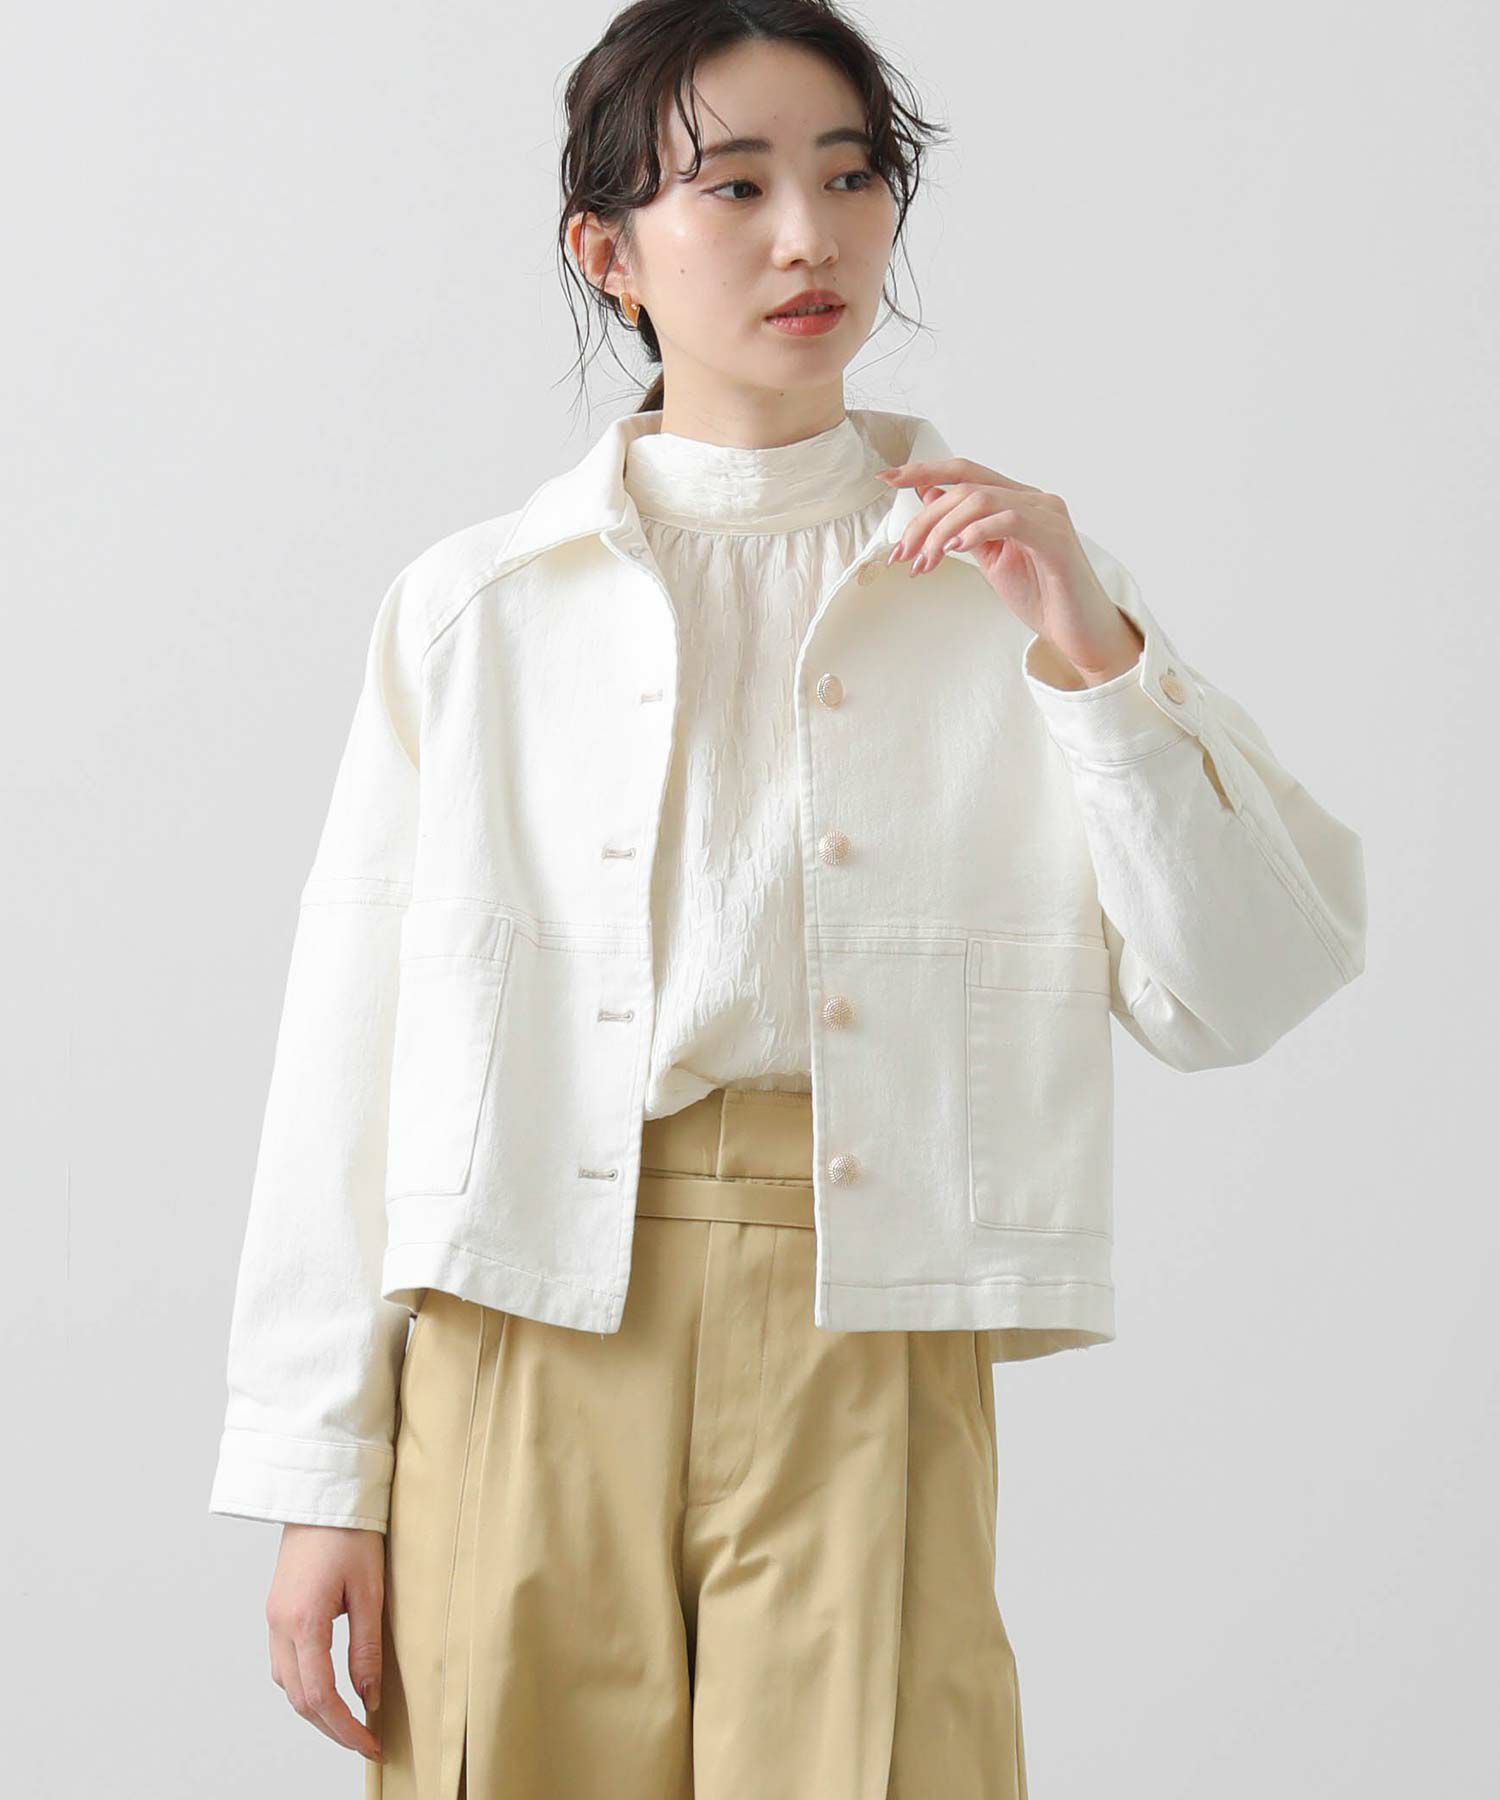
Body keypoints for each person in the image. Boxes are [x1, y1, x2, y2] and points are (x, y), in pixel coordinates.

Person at [208, 4, 1368, 1796]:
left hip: (865, 1316)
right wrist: (317, 1478)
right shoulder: (477, 608)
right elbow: (348, 1049)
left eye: (850, 176)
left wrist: (1094, 652)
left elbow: (1248, 983)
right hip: (526, 1311)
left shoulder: (1015, 582)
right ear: (608, 252)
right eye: (734, 186)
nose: (808, 235)